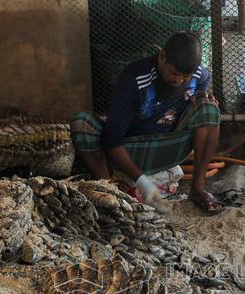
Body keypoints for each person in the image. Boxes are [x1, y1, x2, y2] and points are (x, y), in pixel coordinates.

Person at [71, 31, 224, 215]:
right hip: (132, 149)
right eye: (174, 73)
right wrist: (143, 184)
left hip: (171, 146)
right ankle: (111, 192)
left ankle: (198, 190)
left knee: (209, 108)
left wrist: (200, 96)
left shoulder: (198, 75)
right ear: (162, 57)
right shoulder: (135, 79)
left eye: (186, 77)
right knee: (82, 124)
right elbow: (112, 139)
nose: (179, 80)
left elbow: (200, 84)